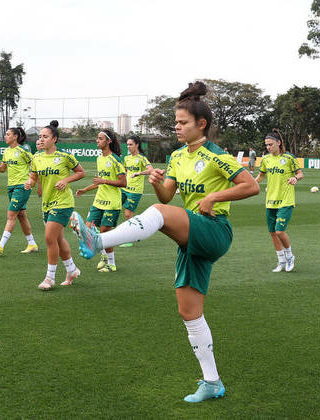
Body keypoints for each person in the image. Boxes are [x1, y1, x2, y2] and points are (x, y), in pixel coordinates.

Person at [70, 81, 259, 402]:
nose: (177, 127)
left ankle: (98, 241)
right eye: (176, 122)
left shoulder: (218, 156)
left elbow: (251, 185)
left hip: (214, 230)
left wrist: (216, 195)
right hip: (191, 235)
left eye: (183, 122)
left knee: (159, 212)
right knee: (189, 311)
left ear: (202, 125)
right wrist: (158, 182)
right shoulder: (176, 157)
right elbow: (168, 196)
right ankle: (212, 381)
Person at [24, 120, 85, 290]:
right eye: (40, 137)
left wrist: (66, 180)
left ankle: (49, 278)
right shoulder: (36, 157)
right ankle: (72, 269)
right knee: (58, 238)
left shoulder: (65, 157)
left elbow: (81, 172)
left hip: (63, 203)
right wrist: (29, 182)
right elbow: (34, 176)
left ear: (54, 139)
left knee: (49, 237)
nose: (41, 139)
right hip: (47, 204)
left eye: (45, 136)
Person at [75, 129, 126, 272]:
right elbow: (99, 182)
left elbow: (123, 183)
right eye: (97, 138)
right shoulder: (99, 159)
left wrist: (104, 180)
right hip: (99, 201)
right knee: (88, 227)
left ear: (108, 141)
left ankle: (111, 264)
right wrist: (85, 190)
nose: (97, 141)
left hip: (112, 202)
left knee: (104, 232)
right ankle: (103, 256)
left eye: (100, 138)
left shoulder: (115, 159)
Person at [254, 129, 303, 272]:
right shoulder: (266, 159)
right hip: (270, 201)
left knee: (280, 231)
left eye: (270, 144)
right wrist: (252, 183)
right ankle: (281, 261)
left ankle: (289, 256)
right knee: (273, 233)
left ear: (279, 143)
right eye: (266, 145)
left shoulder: (289, 158)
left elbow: (300, 173)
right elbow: (261, 176)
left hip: (286, 200)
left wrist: (295, 178)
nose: (268, 147)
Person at [0, 127, 39, 254]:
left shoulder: (22, 150)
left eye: (8, 134)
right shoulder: (6, 152)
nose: (5, 136)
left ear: (15, 136)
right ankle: (32, 244)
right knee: (21, 215)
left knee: (11, 215)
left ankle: (0, 245)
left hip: (22, 186)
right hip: (11, 187)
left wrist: (31, 181)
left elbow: (35, 163)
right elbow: (3, 169)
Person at [119, 135, 153, 247]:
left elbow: (150, 170)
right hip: (124, 189)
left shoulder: (142, 158)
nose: (128, 147)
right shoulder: (126, 158)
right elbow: (124, 171)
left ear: (137, 145)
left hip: (135, 191)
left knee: (128, 214)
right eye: (127, 144)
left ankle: (130, 238)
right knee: (112, 207)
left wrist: (139, 173)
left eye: (130, 144)